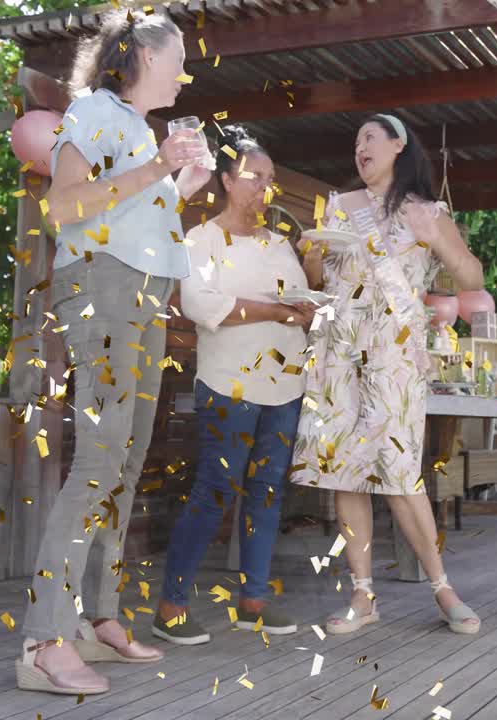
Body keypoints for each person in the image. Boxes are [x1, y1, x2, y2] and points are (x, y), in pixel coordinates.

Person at [16, 9, 212, 695]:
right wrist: (158, 167)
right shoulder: (93, 110)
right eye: (179, 53)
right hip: (101, 288)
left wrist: (176, 189)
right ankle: (44, 638)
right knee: (101, 458)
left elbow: (133, 216)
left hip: (144, 296)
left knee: (127, 461)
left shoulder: (139, 130)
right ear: (140, 54)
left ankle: (98, 616)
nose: (186, 68)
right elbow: (65, 209)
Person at [292, 114, 485, 635]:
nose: (360, 147)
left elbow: (472, 276)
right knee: (344, 472)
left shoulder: (426, 210)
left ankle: (442, 588)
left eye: (369, 138)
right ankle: (363, 594)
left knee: (400, 475)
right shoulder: (337, 208)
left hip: (394, 354)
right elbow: (315, 279)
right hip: (339, 351)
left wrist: (438, 239)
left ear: (399, 145)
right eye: (355, 140)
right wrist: (311, 255)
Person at [151, 125, 314, 645]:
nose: (264, 187)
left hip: (285, 388)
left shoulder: (279, 246)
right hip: (228, 386)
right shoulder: (198, 240)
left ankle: (254, 604)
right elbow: (201, 307)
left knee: (267, 494)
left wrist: (307, 306)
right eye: (252, 176)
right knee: (214, 492)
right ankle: (170, 606)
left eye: (270, 179)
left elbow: (303, 305)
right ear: (225, 179)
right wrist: (276, 311)